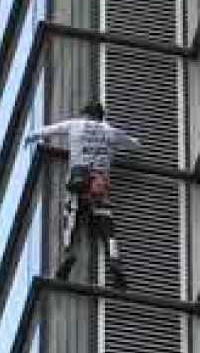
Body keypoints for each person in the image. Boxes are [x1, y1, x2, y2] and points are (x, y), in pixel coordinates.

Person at [25, 101, 140, 290]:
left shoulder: (75, 125)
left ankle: (69, 252)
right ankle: (114, 259)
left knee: (70, 219)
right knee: (107, 227)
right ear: (101, 116)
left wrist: (32, 135)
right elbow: (133, 143)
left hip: (79, 182)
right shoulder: (109, 131)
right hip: (99, 186)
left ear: (86, 114)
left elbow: (51, 130)